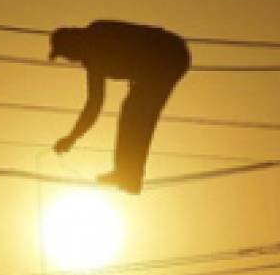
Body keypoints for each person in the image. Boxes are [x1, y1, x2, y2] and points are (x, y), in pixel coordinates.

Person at [49, 19, 191, 193]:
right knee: (137, 111)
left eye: (66, 54)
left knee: (136, 111)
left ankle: (129, 174)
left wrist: (72, 138)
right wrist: (72, 138)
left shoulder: (96, 42)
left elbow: (94, 105)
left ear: (73, 43)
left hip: (169, 53)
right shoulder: (93, 53)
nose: (70, 60)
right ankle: (129, 174)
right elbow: (95, 103)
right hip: (168, 56)